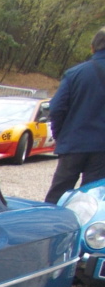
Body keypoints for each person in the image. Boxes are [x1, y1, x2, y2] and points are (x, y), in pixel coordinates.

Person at [44, 28, 105, 204]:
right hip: (102, 149)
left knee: (58, 193)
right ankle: (84, 230)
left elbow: (55, 109)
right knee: (92, 198)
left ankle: (50, 226)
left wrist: (60, 135)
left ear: (92, 47)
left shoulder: (75, 74)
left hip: (73, 142)